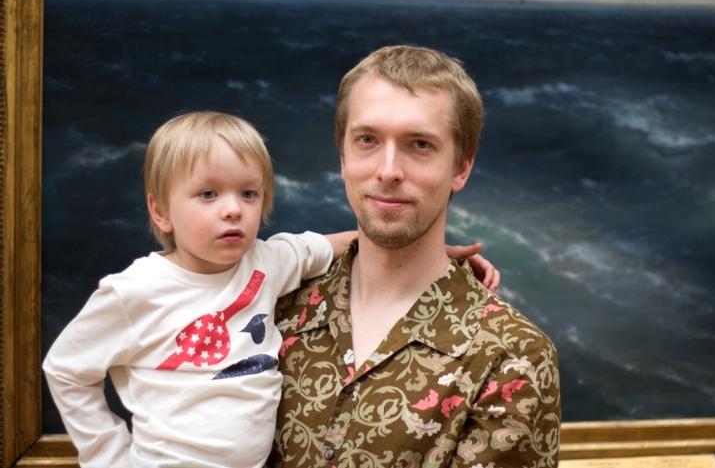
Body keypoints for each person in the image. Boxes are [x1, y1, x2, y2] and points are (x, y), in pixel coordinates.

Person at [43, 111, 497, 468]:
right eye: (208, 194)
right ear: (161, 211)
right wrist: (108, 458)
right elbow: (65, 370)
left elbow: (345, 242)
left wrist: (438, 253)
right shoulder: (134, 292)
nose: (232, 210)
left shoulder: (269, 260)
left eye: (248, 194)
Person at [271, 46, 561, 467]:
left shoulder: (512, 356)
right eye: (367, 140)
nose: (388, 170)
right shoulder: (274, 307)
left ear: (460, 168)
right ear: (343, 158)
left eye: (419, 144)